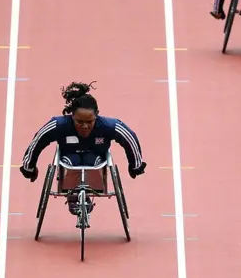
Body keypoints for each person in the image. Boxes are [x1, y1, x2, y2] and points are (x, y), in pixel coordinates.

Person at [19, 81, 147, 215]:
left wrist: (135, 166)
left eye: (89, 122)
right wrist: (29, 167)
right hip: (68, 157)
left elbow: (129, 137)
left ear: (96, 115)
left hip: (96, 158)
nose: (84, 126)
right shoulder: (59, 125)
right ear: (72, 116)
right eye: (79, 122)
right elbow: (38, 140)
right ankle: (73, 194)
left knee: (93, 162)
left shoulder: (108, 126)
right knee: (70, 162)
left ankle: (86, 193)